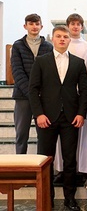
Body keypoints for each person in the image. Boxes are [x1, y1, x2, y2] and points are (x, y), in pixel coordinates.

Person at [29, 25, 87, 210]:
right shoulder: (41, 61)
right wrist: (38, 114)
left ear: (70, 40)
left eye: (65, 36)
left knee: (70, 160)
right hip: (46, 117)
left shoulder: (78, 62)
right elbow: (33, 90)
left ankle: (69, 199)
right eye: (59, 36)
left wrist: (81, 113)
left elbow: (85, 91)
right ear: (53, 39)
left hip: (71, 118)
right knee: (46, 159)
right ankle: (47, 197)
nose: (62, 39)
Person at [53, 13, 87, 189]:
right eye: (72, 24)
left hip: (78, 99)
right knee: (62, 140)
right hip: (60, 100)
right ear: (68, 26)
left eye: (78, 24)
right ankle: (61, 169)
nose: (75, 27)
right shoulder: (60, 47)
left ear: (82, 26)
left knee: (79, 138)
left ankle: (81, 169)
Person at [11, 13, 53, 154]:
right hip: (23, 96)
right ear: (25, 26)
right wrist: (32, 94)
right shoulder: (17, 46)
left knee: (44, 136)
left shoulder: (48, 46)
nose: (34, 27)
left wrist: (41, 93)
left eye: (37, 24)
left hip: (43, 97)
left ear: (41, 26)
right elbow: (17, 72)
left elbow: (50, 73)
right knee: (22, 135)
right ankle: (20, 168)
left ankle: (42, 171)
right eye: (31, 24)